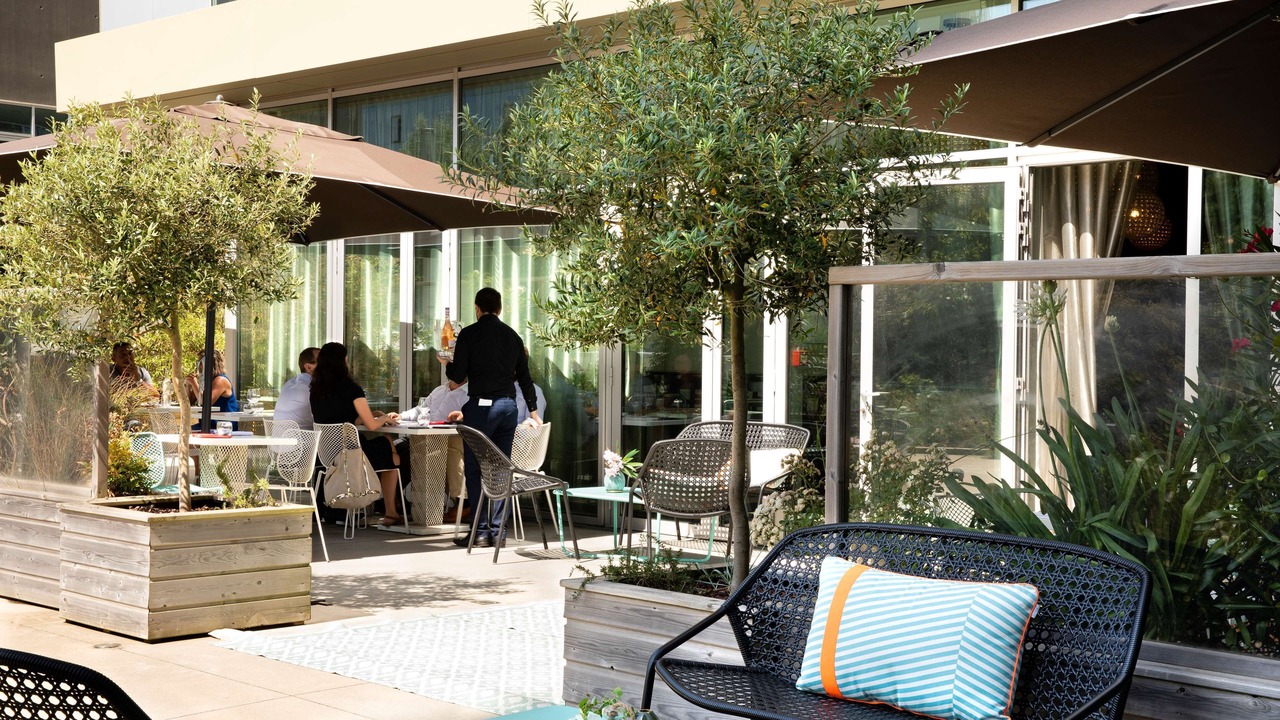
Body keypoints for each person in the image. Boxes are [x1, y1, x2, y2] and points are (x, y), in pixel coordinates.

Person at [440, 287, 541, 547]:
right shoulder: (513, 336)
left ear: (477, 309)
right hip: (507, 408)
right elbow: (525, 378)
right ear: (500, 309)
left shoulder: (469, 334)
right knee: (501, 468)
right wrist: (533, 410)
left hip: (481, 407)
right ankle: (499, 533)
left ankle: (480, 531)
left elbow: (458, 375)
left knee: (475, 469)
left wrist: (447, 364)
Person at [309, 342, 406, 526]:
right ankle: (391, 512)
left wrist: (373, 415)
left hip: (327, 454)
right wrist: (384, 418)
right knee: (391, 451)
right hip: (352, 453)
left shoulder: (315, 390)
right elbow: (372, 425)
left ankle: (375, 507)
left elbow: (341, 417)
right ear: (343, 361)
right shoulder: (352, 389)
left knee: (387, 449)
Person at [416, 379, 470, 522]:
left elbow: (481, 414)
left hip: (464, 440)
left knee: (450, 450)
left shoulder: (472, 391)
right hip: (432, 437)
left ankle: (464, 503)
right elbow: (420, 410)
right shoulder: (439, 390)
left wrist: (465, 416)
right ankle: (396, 503)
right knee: (407, 450)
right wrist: (400, 416)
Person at [274, 347, 319, 430]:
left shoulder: (289, 384)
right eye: (322, 362)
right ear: (308, 367)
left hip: (278, 437)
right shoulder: (311, 387)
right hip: (303, 438)